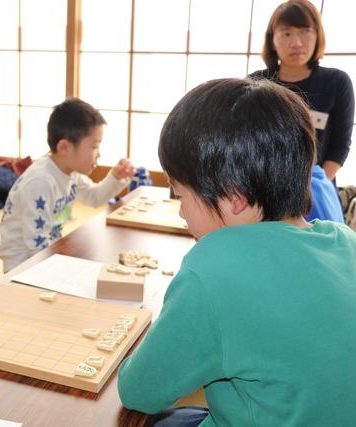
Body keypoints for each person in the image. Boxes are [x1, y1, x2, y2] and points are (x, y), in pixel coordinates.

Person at [117, 78, 356, 426]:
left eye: (181, 196)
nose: (182, 213)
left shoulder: (215, 266)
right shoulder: (344, 240)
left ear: (234, 198)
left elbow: (141, 390)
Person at [0, 98, 135, 273]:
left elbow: (94, 197)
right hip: (23, 264)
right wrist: (67, 266)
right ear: (64, 148)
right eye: (94, 146)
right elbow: (35, 242)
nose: (99, 154)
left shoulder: (71, 171)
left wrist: (115, 177)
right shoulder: (41, 182)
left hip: (47, 251)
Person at [250, 0, 354, 182]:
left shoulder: (337, 82)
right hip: (265, 189)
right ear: (272, 41)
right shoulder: (256, 83)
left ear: (317, 36)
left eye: (305, 31)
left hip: (317, 189)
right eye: (286, 33)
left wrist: (311, 189)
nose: (296, 43)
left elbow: (340, 147)